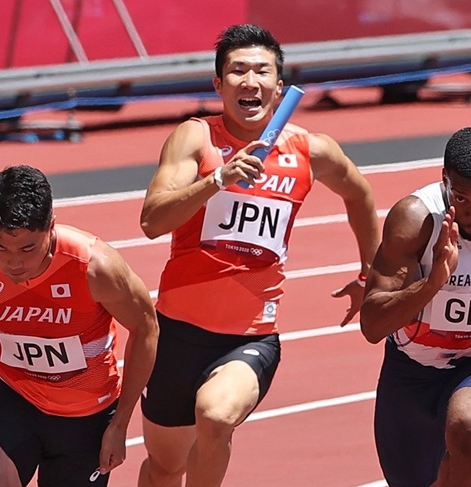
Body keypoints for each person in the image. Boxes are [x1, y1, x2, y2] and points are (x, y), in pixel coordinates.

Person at [137, 24, 380, 487]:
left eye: (261, 70)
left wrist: (370, 272)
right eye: (237, 71)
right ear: (218, 85)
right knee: (165, 467)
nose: (250, 80)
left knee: (215, 415)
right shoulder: (195, 139)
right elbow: (151, 221)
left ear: (279, 86)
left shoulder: (310, 148)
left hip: (249, 338)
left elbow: (361, 195)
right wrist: (217, 181)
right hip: (175, 335)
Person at [0, 165, 159, 487]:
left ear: (51, 227)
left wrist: (120, 424)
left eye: (28, 248)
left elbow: (146, 328)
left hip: (86, 414)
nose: (13, 262)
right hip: (15, 397)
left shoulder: (96, 268)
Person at [360, 127, 471, 487]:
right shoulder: (416, 219)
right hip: (413, 367)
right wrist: (433, 282)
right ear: (444, 182)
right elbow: (373, 325)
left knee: (466, 426)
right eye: (463, 198)